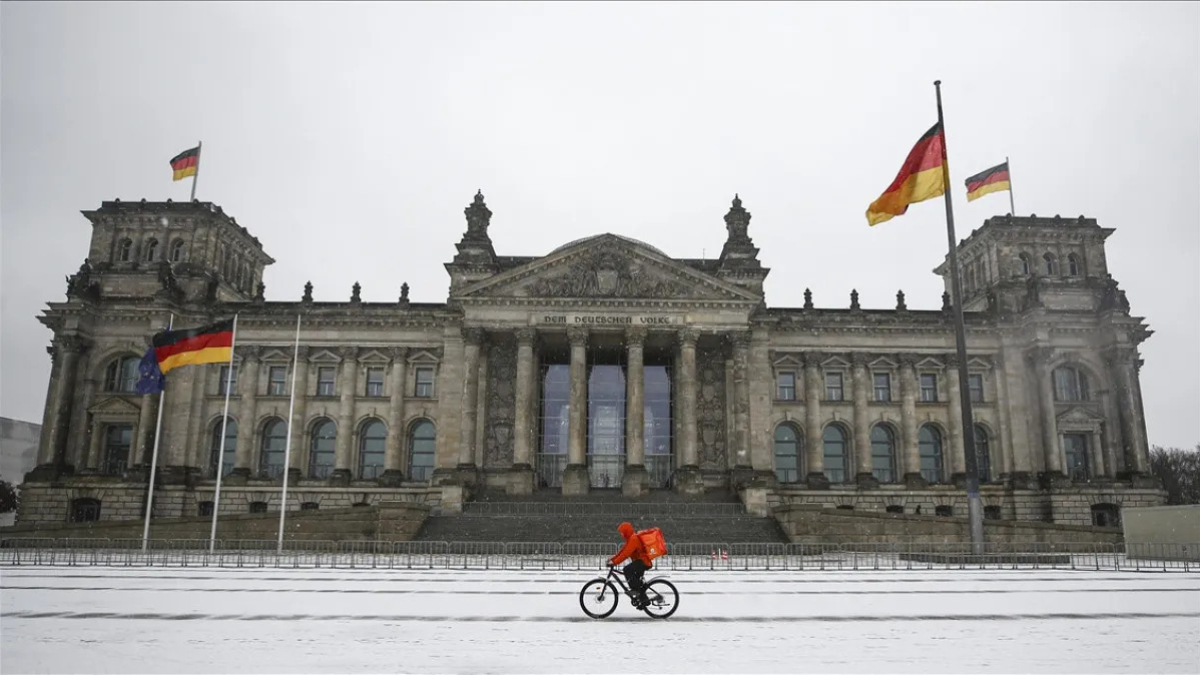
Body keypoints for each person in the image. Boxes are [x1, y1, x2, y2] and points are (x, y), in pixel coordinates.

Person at [609, 521, 652, 608]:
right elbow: (622, 551)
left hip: (642, 562)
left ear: (626, 531)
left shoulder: (633, 539)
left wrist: (614, 562)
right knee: (636, 580)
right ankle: (642, 599)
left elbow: (626, 554)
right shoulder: (630, 539)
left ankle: (640, 596)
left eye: (622, 532)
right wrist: (612, 559)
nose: (621, 535)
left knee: (627, 570)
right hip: (641, 562)